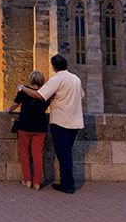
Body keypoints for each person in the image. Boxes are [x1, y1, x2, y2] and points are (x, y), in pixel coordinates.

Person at [19, 54, 84, 194]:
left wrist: (22, 88)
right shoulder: (76, 79)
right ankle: (68, 182)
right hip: (75, 122)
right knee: (67, 153)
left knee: (63, 154)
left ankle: (67, 185)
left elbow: (40, 95)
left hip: (61, 121)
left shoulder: (57, 79)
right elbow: (81, 95)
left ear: (54, 67)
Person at [7, 70, 50, 190]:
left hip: (25, 125)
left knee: (25, 153)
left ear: (31, 79)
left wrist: (9, 110)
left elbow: (15, 104)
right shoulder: (45, 93)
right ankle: (37, 182)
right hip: (40, 126)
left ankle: (27, 180)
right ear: (42, 81)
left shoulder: (23, 91)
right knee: (38, 154)